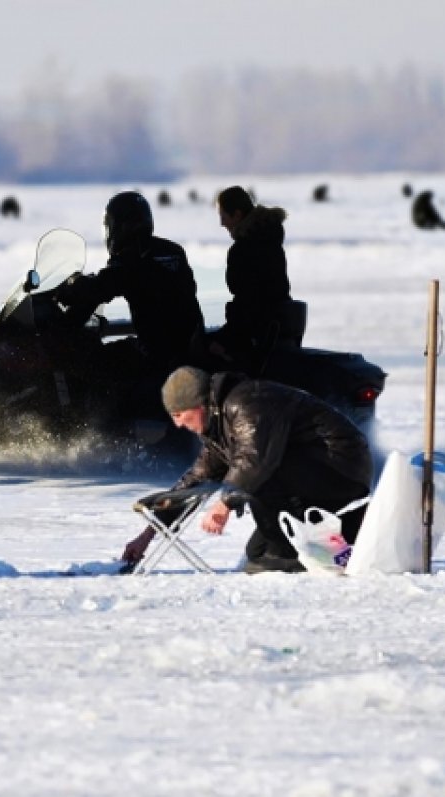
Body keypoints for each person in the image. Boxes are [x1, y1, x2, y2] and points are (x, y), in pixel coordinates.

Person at [121, 366, 372, 573]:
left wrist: (225, 504)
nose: (177, 424)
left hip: (341, 468)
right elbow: (195, 480)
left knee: (261, 490)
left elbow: (255, 460)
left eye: (178, 414)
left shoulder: (248, 403)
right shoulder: (219, 426)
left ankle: (317, 548)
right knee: (258, 555)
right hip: (310, 474)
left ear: (199, 405)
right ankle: (343, 537)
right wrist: (148, 534)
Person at [55, 190, 204, 382]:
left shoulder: (130, 258)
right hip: (188, 348)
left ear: (122, 226)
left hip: (158, 352)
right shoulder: (172, 251)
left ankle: (99, 410)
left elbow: (101, 287)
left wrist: (71, 285)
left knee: (94, 361)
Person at [202, 186, 293, 372]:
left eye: (223, 216)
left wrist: (221, 340)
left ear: (237, 215)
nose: (222, 223)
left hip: (254, 334)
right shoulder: (272, 244)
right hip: (272, 329)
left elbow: (248, 304)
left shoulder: (243, 251)